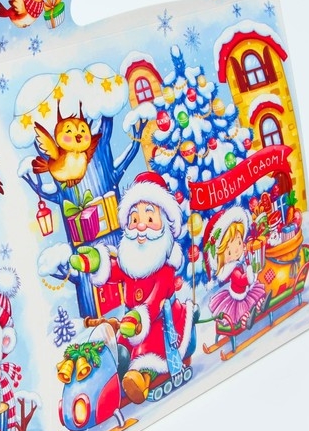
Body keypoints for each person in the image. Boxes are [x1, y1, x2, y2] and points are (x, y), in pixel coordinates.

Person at [70, 171, 195, 403]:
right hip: (131, 324)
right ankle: (117, 379)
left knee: (147, 350)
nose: (141, 227)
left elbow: (155, 300)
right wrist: (95, 262)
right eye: (135, 220)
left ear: (165, 224)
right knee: (119, 348)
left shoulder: (164, 268)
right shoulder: (131, 260)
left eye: (149, 219)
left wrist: (138, 318)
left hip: (159, 323)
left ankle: (141, 379)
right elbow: (115, 269)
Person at [204, 206, 266, 330]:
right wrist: (250, 275)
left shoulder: (239, 262)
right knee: (241, 312)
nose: (237, 249)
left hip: (246, 291)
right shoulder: (233, 270)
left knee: (256, 297)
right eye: (229, 251)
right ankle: (246, 320)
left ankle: (260, 305)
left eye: (239, 242)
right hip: (237, 297)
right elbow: (242, 280)